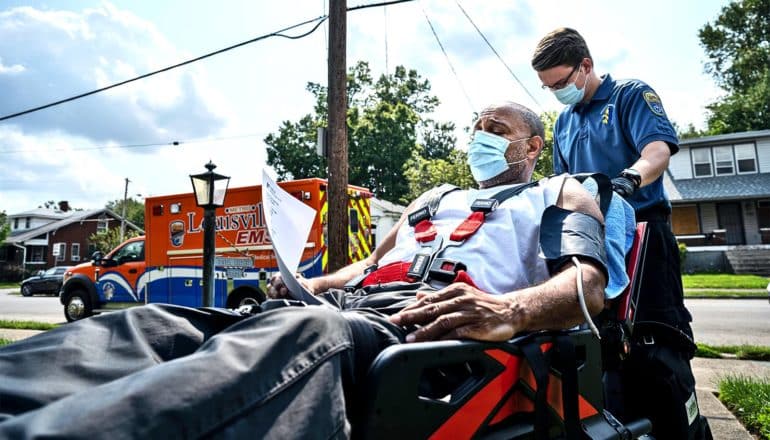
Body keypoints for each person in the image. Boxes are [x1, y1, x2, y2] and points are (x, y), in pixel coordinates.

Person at [0, 101, 623, 439]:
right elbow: (365, 268)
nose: (480, 136)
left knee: (302, 339)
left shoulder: (563, 192)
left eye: (497, 129)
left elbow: (587, 285)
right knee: (156, 324)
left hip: (426, 335)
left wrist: (508, 310)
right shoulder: (430, 201)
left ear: (533, 146)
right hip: (350, 310)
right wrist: (303, 285)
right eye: (476, 127)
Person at [531, 27, 710, 439]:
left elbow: (657, 152)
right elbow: (565, 185)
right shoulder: (564, 122)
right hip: (593, 242)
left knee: (657, 344)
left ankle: (681, 429)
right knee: (605, 350)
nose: (556, 92)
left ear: (586, 66)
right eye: (547, 87)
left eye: (560, 83)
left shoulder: (629, 96)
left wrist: (628, 180)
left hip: (645, 236)